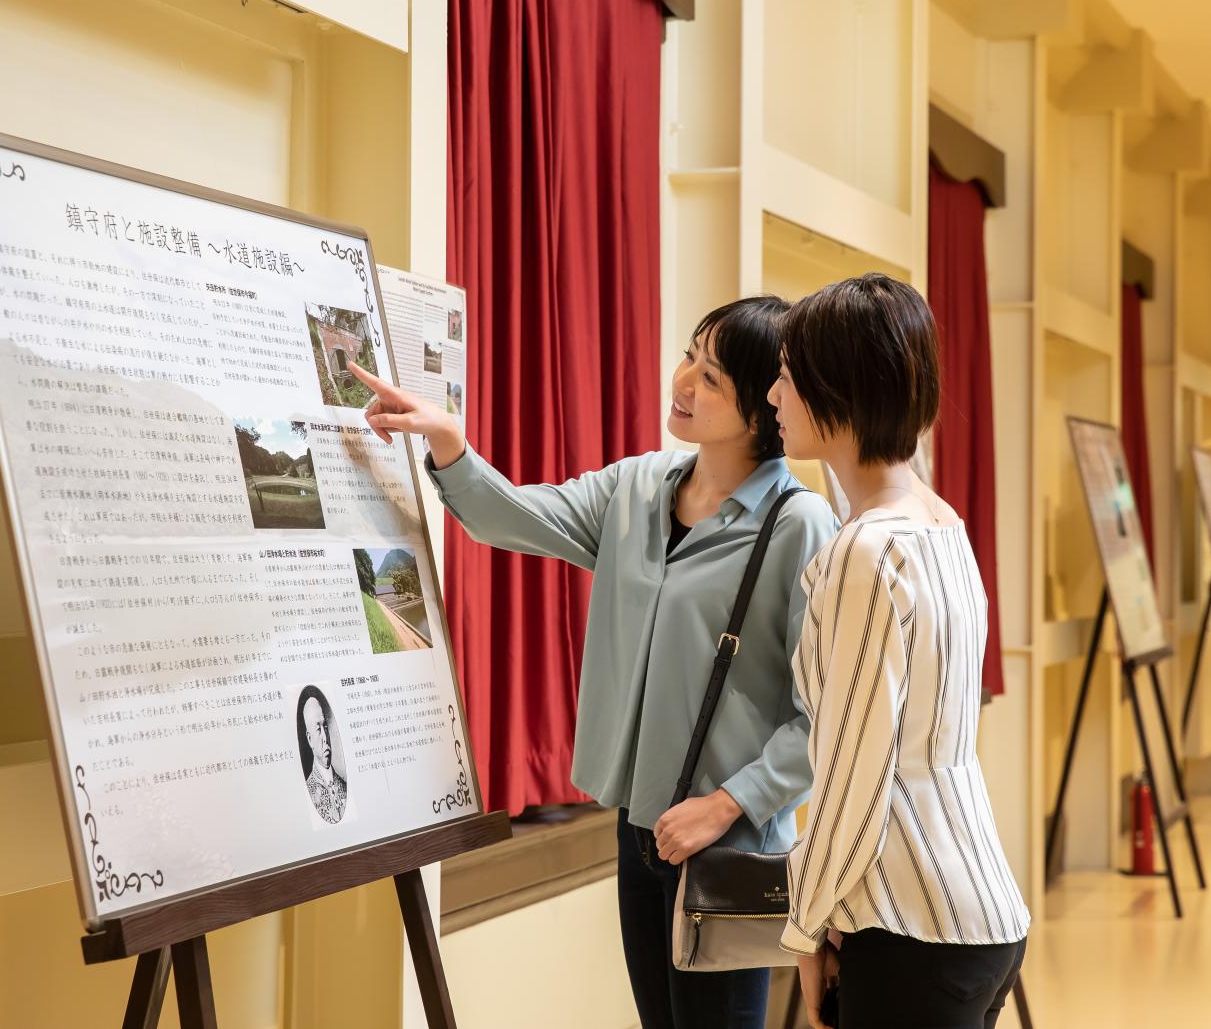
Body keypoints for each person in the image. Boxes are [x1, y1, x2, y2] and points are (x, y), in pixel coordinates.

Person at [350, 297, 838, 1029]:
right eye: (688, 356)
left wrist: (725, 804)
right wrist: (450, 445)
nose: (682, 381)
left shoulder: (798, 524)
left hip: (724, 840)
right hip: (638, 825)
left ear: (761, 410)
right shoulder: (639, 487)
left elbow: (824, 712)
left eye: (710, 378)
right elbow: (515, 515)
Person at [769, 274, 1030, 1029]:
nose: (773, 399)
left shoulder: (865, 551)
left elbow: (854, 770)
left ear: (837, 390)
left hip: (911, 921)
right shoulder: (937, 520)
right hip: (974, 908)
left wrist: (804, 926)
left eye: (787, 379)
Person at [297, 686, 348, 824]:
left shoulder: (344, 786)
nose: (325, 737)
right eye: (318, 729)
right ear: (309, 739)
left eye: (325, 726)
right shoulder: (309, 791)